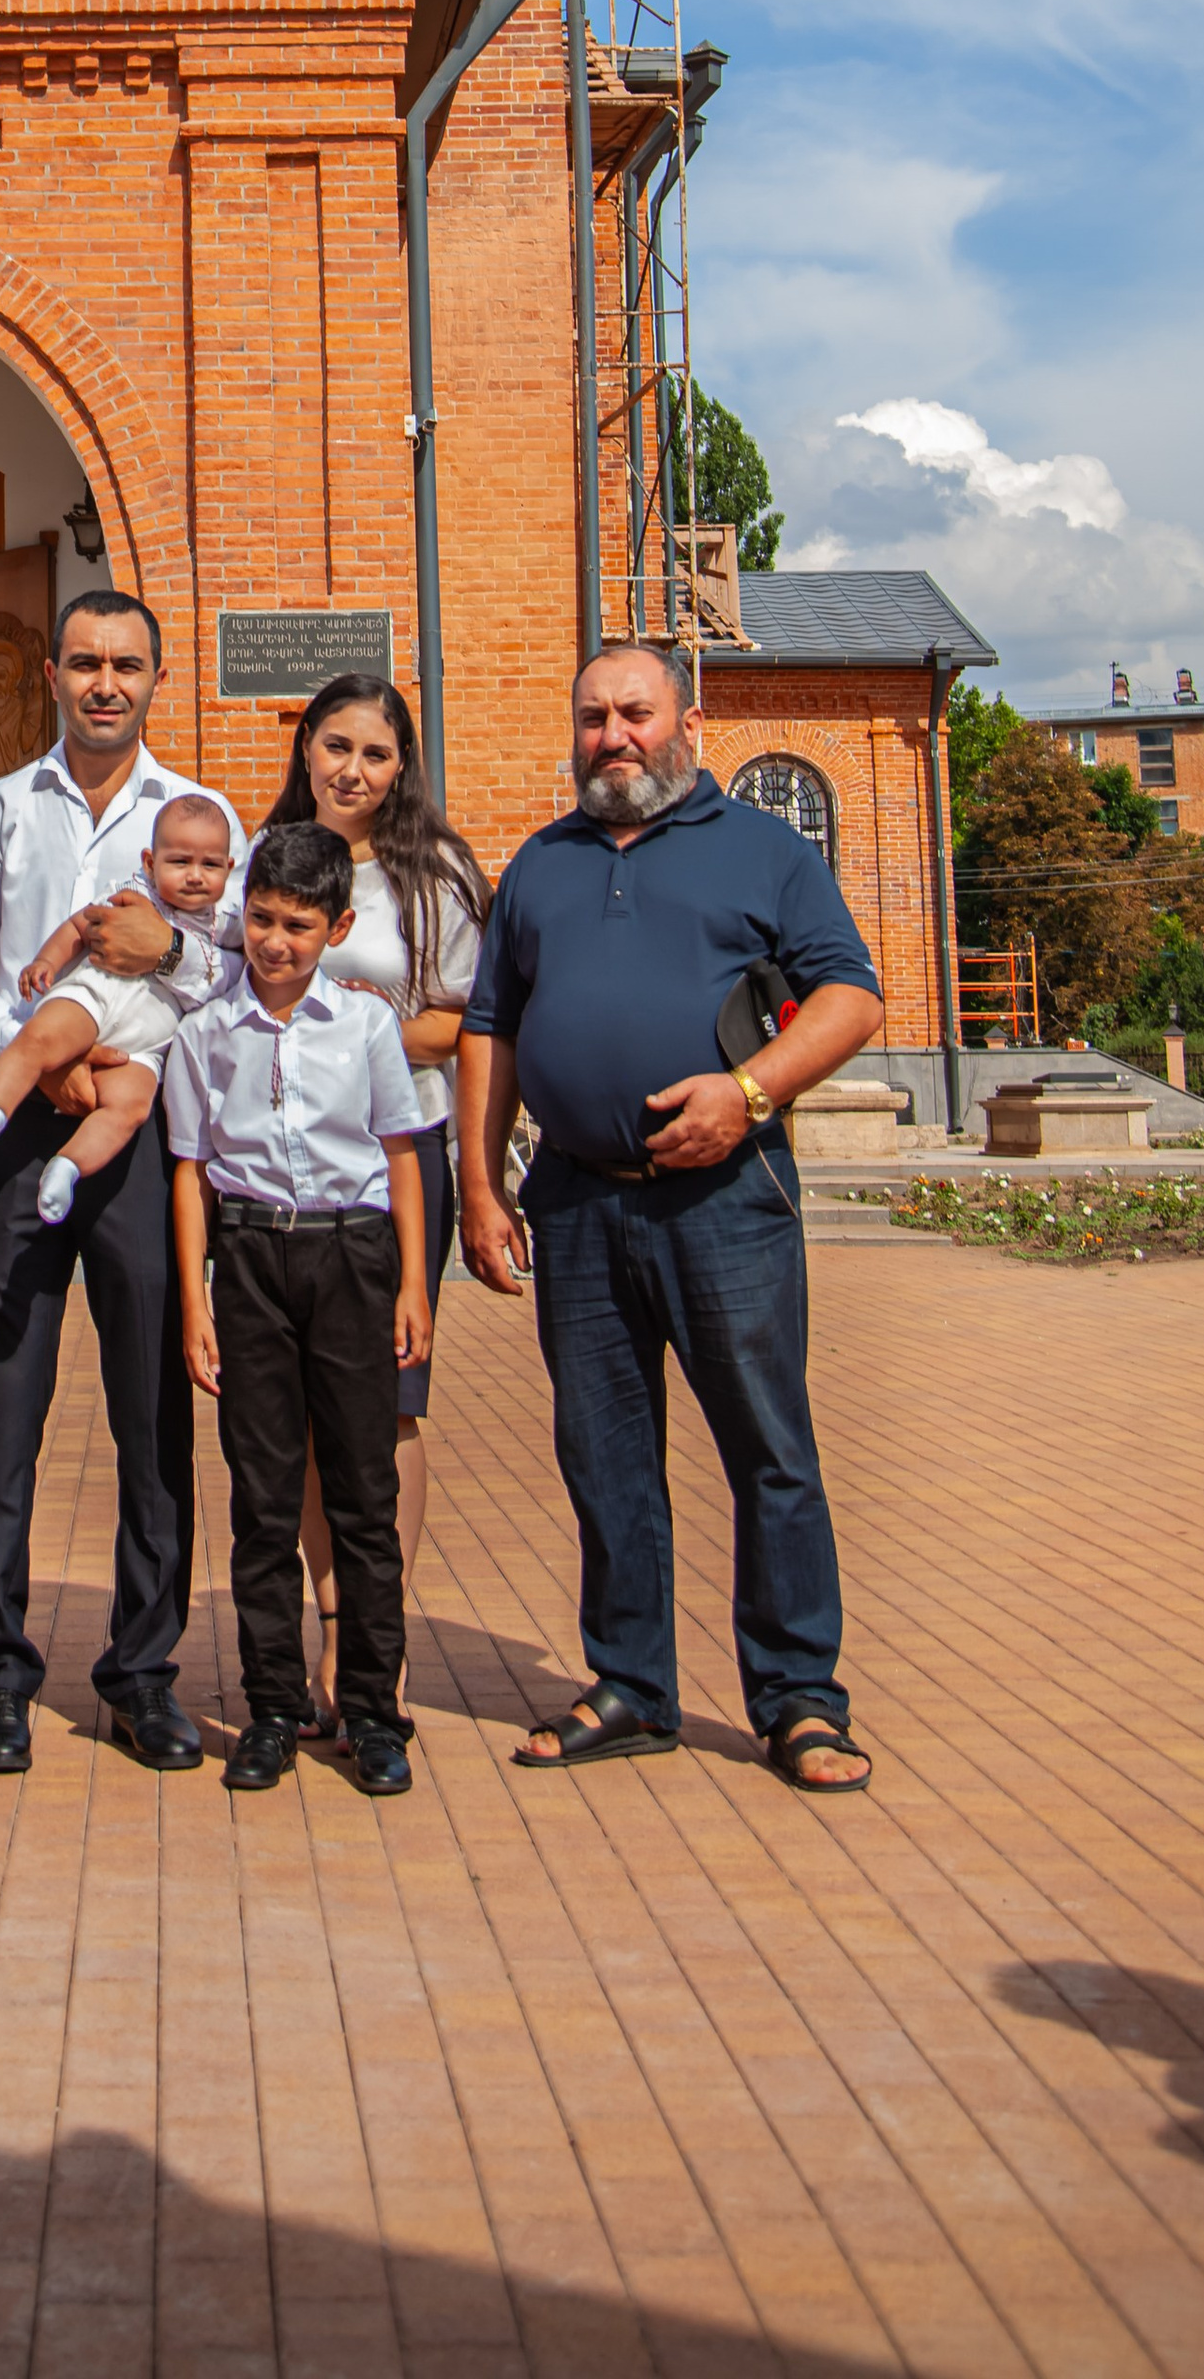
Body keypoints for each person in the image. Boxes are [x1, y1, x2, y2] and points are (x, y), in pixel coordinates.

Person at [457, 641, 885, 1793]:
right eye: (593, 716)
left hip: (727, 1200)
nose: (614, 737)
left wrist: (745, 1095)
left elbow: (849, 993)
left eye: (635, 713)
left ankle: (798, 1699)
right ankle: (632, 1686)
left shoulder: (762, 848)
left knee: (767, 1451)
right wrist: (481, 1183)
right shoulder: (541, 864)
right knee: (604, 1457)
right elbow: (490, 1025)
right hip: (579, 1203)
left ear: (685, 720)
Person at [0, 588, 245, 1775]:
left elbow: (253, 962)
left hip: (144, 1142)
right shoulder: (2, 808)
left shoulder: (199, 814)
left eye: (127, 664)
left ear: (157, 678)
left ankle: (142, 1671)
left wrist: (172, 951)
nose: (105, 681)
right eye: (84, 662)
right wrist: (21, 1046)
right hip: (24, 1131)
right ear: (51, 675)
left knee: (152, 1414)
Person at [167, 821, 430, 1797]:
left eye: (300, 926)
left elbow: (401, 1151)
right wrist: (196, 1300)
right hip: (249, 1261)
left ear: (337, 927)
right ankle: (273, 1708)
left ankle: (372, 1711)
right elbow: (189, 1172)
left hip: (349, 1259)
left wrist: (409, 1283)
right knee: (263, 1501)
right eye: (265, 922)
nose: (278, 943)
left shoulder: (363, 1026)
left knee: (364, 1500)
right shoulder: (205, 1033)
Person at [259, 674, 488, 1735]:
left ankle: (371, 1658)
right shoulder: (268, 861)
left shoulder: (429, 873)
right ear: (305, 746)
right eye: (336, 745)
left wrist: (343, 1036)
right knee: (308, 1414)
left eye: (377, 754)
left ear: (403, 768)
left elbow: (462, 1024)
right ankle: (327, 1629)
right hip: (278, 1169)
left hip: (398, 1155)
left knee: (389, 1406)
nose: (353, 770)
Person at [0, 790, 239, 1220]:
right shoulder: (133, 892)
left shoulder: (229, 921)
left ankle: (68, 1168)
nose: (195, 876)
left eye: (210, 865)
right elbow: (79, 925)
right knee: (39, 1038)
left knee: (129, 1107)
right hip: (97, 993)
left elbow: (245, 970)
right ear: (150, 862)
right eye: (180, 862)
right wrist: (47, 961)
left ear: (229, 867)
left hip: (147, 1040)